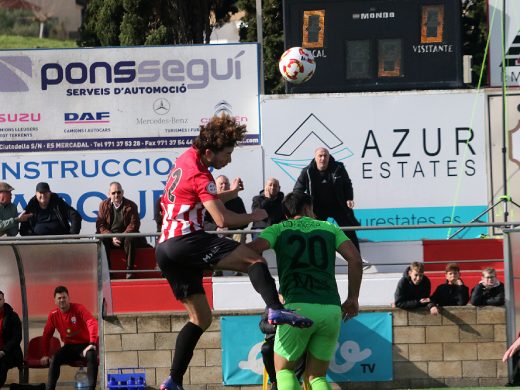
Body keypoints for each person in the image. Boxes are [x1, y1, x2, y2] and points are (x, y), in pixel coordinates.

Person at [155, 114, 313, 390]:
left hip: (165, 249)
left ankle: (173, 380)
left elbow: (201, 199)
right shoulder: (201, 174)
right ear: (209, 152)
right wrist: (257, 213)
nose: (228, 160)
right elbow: (223, 221)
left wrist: (229, 194)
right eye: (226, 154)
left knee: (200, 318)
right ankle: (275, 309)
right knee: (254, 259)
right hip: (186, 240)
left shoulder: (186, 158)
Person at [248, 191, 363, 390]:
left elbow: (250, 250)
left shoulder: (278, 229)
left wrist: (265, 277)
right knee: (317, 377)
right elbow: (355, 259)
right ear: (307, 208)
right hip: (330, 309)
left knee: (284, 371)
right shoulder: (329, 228)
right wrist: (353, 298)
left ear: (286, 214)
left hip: (296, 308)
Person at [293, 147, 360, 251]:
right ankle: (314, 258)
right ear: (315, 158)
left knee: (349, 231)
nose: (323, 158)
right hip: (317, 208)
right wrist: (303, 207)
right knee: (313, 233)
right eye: (320, 156)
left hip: (338, 205)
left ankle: (358, 259)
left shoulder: (339, 167)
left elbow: (347, 184)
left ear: (329, 157)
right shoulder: (307, 171)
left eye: (325, 156)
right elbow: (297, 191)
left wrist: (349, 198)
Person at [40, 286, 98, 390]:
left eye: (64, 297)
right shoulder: (53, 315)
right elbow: (46, 335)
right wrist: (45, 354)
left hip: (85, 346)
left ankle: (91, 388)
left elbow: (92, 322)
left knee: (92, 356)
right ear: (55, 301)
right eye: (59, 298)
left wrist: (92, 343)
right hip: (69, 347)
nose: (62, 300)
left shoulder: (79, 308)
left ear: (68, 298)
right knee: (55, 358)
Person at [96, 182, 149, 278]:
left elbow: (134, 224)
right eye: (113, 193)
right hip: (110, 237)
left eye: (118, 192)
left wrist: (121, 236)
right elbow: (100, 226)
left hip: (125, 236)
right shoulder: (103, 205)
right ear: (109, 194)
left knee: (131, 238)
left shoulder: (131, 205)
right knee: (101, 240)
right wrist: (112, 237)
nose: (116, 195)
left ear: (123, 192)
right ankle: (108, 271)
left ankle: (130, 270)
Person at [205, 175, 248, 244]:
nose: (224, 186)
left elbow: (245, 223)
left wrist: (229, 228)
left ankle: (237, 253)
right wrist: (216, 229)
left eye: (226, 183)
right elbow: (203, 222)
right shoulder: (209, 201)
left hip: (233, 233)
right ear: (215, 186)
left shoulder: (237, 200)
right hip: (214, 233)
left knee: (239, 234)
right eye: (221, 184)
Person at [0, 291, 23, 388]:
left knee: (1, 364)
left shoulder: (12, 316)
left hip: (10, 353)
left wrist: (3, 351)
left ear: (4, 300)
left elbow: (17, 338)